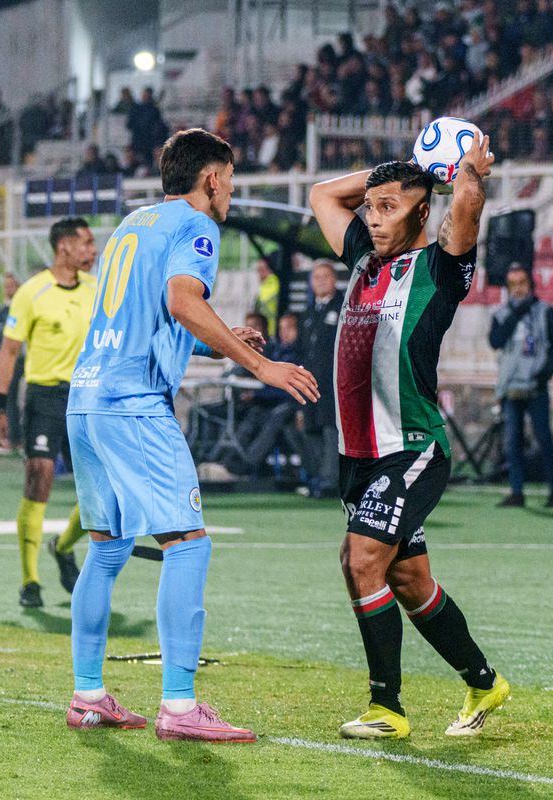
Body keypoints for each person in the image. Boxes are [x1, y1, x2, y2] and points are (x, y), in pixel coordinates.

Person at [64, 128, 317, 741]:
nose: (231, 188)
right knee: (189, 543)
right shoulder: (196, 228)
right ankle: (180, 707)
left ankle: (89, 694)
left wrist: (222, 340)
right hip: (133, 405)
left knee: (106, 547)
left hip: (88, 398)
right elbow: (180, 300)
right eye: (229, 177)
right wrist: (263, 366)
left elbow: (147, 314)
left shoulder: (133, 224)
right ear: (210, 178)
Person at [308, 135, 509, 739]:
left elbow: (467, 211)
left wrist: (465, 172)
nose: (371, 217)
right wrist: (398, 175)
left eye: (388, 208)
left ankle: (386, 707)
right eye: (369, 207)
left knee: (360, 558)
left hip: (413, 448)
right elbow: (322, 193)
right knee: (409, 580)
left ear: (425, 211)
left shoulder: (439, 270)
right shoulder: (363, 259)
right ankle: (483, 681)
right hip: (359, 457)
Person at [0, 218, 97, 608]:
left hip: (87, 398)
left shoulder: (97, 290)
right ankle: (29, 580)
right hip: (45, 397)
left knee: (97, 492)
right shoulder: (32, 292)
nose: (92, 250)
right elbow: (9, 352)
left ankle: (63, 547)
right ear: (63, 247)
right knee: (40, 478)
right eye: (86, 243)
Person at [489, 266, 553, 508]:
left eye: (522, 282)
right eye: (513, 284)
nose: (518, 288)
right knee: (513, 443)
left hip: (536, 386)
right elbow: (495, 341)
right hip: (511, 389)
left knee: (544, 440)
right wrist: (515, 314)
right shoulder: (501, 315)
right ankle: (517, 491)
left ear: (530, 284)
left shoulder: (546, 313)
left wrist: (548, 370)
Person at [227, 311, 302, 476]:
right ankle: (230, 461)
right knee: (253, 414)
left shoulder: (299, 353)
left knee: (275, 416)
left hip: (292, 403)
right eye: (281, 328)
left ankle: (249, 463)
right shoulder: (277, 351)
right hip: (273, 401)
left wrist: (258, 395)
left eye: (289, 328)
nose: (284, 332)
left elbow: (287, 388)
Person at [299, 261, 343, 498]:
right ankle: (318, 477)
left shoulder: (344, 306)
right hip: (309, 382)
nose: (321, 281)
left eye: (325, 277)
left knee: (330, 430)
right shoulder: (308, 313)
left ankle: (330, 481)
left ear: (334, 279)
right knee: (310, 429)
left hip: (333, 383)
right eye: (316, 278)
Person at [0, 273, 23, 453]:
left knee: (10, 401)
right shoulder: (0, 311)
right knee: (1, 400)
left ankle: (12, 438)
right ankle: (4, 437)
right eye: (6, 286)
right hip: (1, 360)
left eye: (12, 285)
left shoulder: (21, 308)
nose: (8, 289)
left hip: (17, 361)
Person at [252, 254, 280, 336]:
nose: (259, 273)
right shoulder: (267, 284)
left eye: (261, 269)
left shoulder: (270, 284)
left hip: (270, 331)